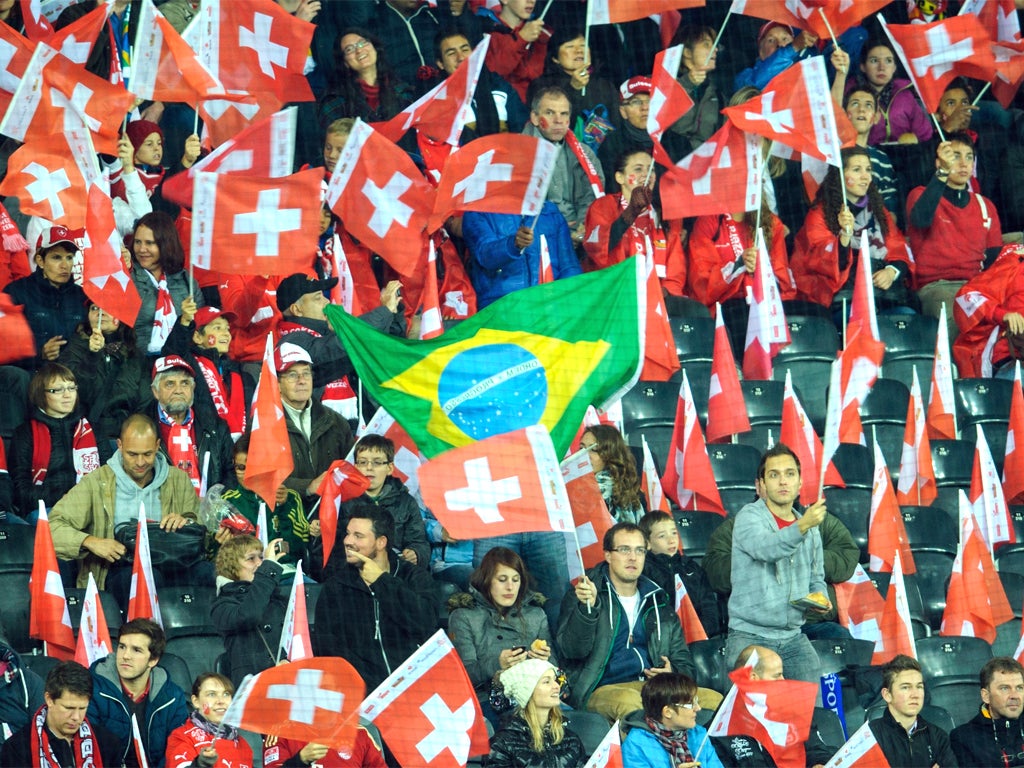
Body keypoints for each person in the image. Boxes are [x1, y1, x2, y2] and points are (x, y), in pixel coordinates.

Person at [556, 522, 704, 724]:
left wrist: (673, 672)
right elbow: (572, 651)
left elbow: (684, 660)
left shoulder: (658, 600)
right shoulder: (584, 594)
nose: (633, 557)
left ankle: (690, 755)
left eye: (639, 550)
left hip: (654, 688)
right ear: (608, 555)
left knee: (712, 700)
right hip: (602, 689)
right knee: (632, 704)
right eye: (624, 549)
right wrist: (587, 610)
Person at [49, 413, 203, 602]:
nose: (140, 462)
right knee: (147, 578)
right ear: (120, 445)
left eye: (147, 454)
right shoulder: (97, 482)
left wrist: (186, 522)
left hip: (174, 563)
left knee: (207, 574)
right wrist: (90, 541)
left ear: (157, 446)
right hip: (118, 569)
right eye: (132, 454)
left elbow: (199, 528)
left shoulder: (178, 479)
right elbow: (52, 526)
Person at [724, 444, 829, 685]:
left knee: (811, 714)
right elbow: (767, 549)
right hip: (750, 635)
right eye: (774, 475)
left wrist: (820, 598)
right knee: (750, 717)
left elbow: (816, 577)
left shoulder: (809, 527)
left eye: (790, 474)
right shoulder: (748, 517)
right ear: (759, 485)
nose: (783, 481)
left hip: (793, 637)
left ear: (800, 482)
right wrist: (803, 526)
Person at [313, 505, 438, 691]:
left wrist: (381, 582)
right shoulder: (336, 586)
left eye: (358, 536)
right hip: (360, 695)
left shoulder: (414, 577)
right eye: (348, 534)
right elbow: (329, 649)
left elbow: (425, 625)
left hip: (413, 689)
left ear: (381, 542)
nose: (347, 541)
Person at [791, 146, 915, 313]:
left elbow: (899, 246)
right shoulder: (819, 214)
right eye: (857, 170)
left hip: (883, 296)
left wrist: (891, 271)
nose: (865, 176)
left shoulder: (879, 210)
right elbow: (820, 262)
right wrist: (844, 235)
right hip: (841, 299)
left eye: (868, 170)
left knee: (906, 315)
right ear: (840, 176)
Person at [908, 134, 1004, 340]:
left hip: (976, 287)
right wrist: (942, 172)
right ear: (939, 161)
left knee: (1005, 325)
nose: (963, 163)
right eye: (955, 156)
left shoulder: (985, 205)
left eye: (969, 157)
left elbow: (994, 258)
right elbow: (920, 219)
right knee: (958, 326)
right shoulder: (920, 194)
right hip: (938, 286)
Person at [447, 547, 555, 722]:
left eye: (516, 579)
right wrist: (497, 663)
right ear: (487, 580)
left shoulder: (536, 615)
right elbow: (464, 676)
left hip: (536, 696)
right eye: (502, 580)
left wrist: (544, 660)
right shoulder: (463, 616)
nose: (510, 587)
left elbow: (555, 668)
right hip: (488, 701)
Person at [275, 272, 404, 412]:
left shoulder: (329, 334)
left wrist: (394, 312)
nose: (327, 302)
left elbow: (382, 344)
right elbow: (335, 348)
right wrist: (384, 312)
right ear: (297, 309)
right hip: (321, 429)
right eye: (318, 298)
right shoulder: (290, 344)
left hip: (352, 427)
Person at [687, 198, 796, 352]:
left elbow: (782, 276)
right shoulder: (709, 221)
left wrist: (762, 269)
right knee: (743, 319)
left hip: (764, 301)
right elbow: (702, 281)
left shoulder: (770, 222)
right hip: (726, 302)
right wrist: (739, 265)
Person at [582, 149, 686, 297]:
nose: (646, 174)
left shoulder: (664, 215)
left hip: (657, 297)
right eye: (638, 169)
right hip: (614, 293)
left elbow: (676, 267)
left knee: (694, 312)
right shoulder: (604, 206)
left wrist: (665, 292)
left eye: (651, 169)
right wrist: (631, 212)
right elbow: (597, 249)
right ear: (620, 177)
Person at [87, 619, 189, 768]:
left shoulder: (173, 697)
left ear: (153, 660)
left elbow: (176, 752)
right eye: (122, 647)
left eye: (136, 650)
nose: (125, 656)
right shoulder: (92, 691)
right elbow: (89, 751)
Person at [59, 301, 149, 460]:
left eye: (109, 307)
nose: (101, 313)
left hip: (127, 438)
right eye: (94, 308)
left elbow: (145, 401)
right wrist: (92, 356)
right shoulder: (74, 348)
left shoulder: (135, 356)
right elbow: (73, 396)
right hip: (86, 436)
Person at [10, 364, 99, 521]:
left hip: (90, 505)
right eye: (57, 390)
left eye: (71, 388)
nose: (67, 395)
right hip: (46, 507)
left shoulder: (92, 428)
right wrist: (62, 496)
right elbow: (20, 492)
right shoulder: (25, 433)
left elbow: (108, 475)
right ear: (41, 395)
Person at [274, 343, 354, 511]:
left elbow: (350, 470)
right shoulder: (264, 424)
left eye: (306, 374)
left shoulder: (336, 422)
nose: (302, 381)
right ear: (277, 383)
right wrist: (308, 486)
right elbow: (261, 479)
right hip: (285, 518)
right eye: (292, 375)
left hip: (330, 514)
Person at [521, 85, 604, 243]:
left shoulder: (584, 153)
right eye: (550, 113)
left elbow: (592, 197)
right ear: (535, 118)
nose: (558, 120)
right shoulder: (516, 152)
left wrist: (581, 228)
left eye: (564, 114)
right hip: (533, 236)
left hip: (576, 233)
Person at [0, 660, 121, 768]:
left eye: (82, 708)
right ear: (49, 699)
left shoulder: (107, 744)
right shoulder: (17, 749)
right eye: (69, 708)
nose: (76, 717)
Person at [159, 306, 254, 442]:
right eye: (217, 328)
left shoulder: (240, 373)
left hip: (240, 448)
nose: (226, 333)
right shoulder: (189, 365)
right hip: (205, 444)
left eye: (227, 329)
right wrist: (184, 323)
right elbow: (173, 352)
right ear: (197, 337)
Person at [462, 199, 579, 309]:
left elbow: (569, 266)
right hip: (502, 307)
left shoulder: (549, 211)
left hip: (551, 306)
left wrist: (569, 302)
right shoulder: (477, 211)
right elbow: (485, 255)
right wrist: (513, 245)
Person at [339, 434, 430, 569]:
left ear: (390, 468)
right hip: (355, 572)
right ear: (355, 467)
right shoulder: (343, 501)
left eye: (377, 462)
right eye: (363, 462)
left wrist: (416, 553)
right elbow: (335, 549)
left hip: (397, 571)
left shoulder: (406, 502)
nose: (369, 467)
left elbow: (419, 542)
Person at [210, 534, 289, 687]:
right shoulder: (222, 603)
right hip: (253, 688)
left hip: (287, 682)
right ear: (231, 566)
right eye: (251, 559)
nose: (260, 563)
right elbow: (249, 615)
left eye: (261, 557)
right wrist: (269, 567)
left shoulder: (275, 596)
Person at [149, 355, 235, 493]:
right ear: (155, 391)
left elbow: (231, 472)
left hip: (209, 508)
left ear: (193, 388)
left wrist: (215, 504)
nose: (178, 390)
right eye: (170, 384)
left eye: (184, 383)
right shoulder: (143, 426)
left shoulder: (215, 426)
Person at [3, 226, 87, 368]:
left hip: (73, 376)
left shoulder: (82, 296)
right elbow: (4, 349)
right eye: (56, 257)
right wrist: (39, 353)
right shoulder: (15, 292)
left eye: (69, 257)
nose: (65, 265)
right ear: (40, 261)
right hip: (33, 375)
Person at [220, 436, 308, 568]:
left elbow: (301, 547)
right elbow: (216, 557)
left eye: (252, 467)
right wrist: (220, 544)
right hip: (244, 577)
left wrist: (283, 508)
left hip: (284, 573)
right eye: (241, 467)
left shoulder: (290, 498)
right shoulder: (227, 502)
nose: (247, 474)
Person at [526, 26, 619, 147]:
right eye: (570, 46)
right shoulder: (541, 85)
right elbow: (549, 128)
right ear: (555, 58)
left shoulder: (605, 86)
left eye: (583, 46)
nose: (579, 51)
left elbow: (616, 127)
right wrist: (573, 89)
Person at [129, 212, 204, 357]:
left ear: (165, 244)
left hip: (181, 364)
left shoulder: (185, 281)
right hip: (139, 365)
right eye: (138, 242)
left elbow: (199, 328)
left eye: (149, 243)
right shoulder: (128, 278)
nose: (141, 249)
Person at [487, 659, 585, 768]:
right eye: (546, 682)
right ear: (528, 693)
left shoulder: (571, 740)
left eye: (555, 680)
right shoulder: (502, 744)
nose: (557, 686)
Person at [435, 29, 527, 144]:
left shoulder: (499, 86)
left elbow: (521, 128)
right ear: (440, 64)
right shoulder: (438, 100)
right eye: (451, 53)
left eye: (465, 50)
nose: (461, 57)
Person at [639, 512, 721, 638]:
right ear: (647, 543)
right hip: (664, 641)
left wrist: (701, 632)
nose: (671, 540)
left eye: (674, 533)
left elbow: (709, 608)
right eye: (662, 536)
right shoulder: (644, 572)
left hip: (700, 637)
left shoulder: (692, 567)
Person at [869, 655, 957, 768]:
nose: (915, 695)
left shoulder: (938, 736)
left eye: (919, 687)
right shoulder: (871, 737)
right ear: (887, 695)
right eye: (905, 687)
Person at [317, 27, 414, 129]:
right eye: (349, 49)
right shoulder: (334, 100)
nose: (359, 50)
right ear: (345, 62)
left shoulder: (402, 90)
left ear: (375, 48)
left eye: (362, 43)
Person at [622, 673, 724, 768]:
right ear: (667, 712)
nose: (698, 708)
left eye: (696, 701)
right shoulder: (636, 744)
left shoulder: (699, 734)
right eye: (690, 704)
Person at [853, 39, 934, 145]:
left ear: (894, 68)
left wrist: (913, 137)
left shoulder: (906, 95)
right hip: (866, 156)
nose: (881, 67)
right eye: (874, 60)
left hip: (905, 155)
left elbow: (925, 133)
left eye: (888, 61)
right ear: (863, 66)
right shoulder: (852, 95)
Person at [165, 673, 253, 768]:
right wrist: (199, 765)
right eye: (212, 694)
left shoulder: (242, 743)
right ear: (196, 701)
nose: (221, 701)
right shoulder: (182, 737)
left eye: (226, 694)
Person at [950, 657, 1024, 767]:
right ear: (986, 696)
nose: (1014, 696)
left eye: (1019, 688)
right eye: (1004, 688)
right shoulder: (964, 738)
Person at [843, 86, 899, 218]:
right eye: (855, 103)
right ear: (844, 114)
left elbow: (889, 206)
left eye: (868, 105)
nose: (861, 109)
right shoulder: (834, 154)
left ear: (876, 117)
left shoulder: (882, 159)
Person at [666, 25, 722, 155]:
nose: (716, 49)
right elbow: (659, 116)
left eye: (715, 45)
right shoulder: (662, 84)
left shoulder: (718, 95)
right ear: (687, 52)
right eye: (706, 44)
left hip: (703, 167)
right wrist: (687, 83)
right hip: (669, 164)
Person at [484, 0, 551, 103]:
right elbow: (494, 72)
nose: (531, 1)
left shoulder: (542, 33)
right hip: (501, 106)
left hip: (537, 105)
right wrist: (521, 38)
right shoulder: (487, 31)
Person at [580, 425, 644, 524]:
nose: (584, 455)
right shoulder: (571, 489)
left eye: (593, 449)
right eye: (581, 448)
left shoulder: (633, 494)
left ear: (611, 454)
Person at [734, 21, 819, 93]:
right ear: (761, 51)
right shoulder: (745, 77)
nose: (780, 44)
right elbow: (753, 86)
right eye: (771, 40)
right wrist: (793, 47)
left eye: (785, 39)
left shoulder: (807, 70)